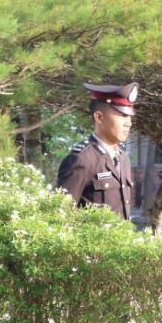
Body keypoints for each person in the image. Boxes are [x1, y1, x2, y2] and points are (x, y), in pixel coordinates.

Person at [57, 82, 138, 220]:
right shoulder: (82, 159)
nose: (128, 123)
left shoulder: (122, 157)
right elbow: (61, 215)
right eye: (122, 115)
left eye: (129, 116)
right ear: (99, 117)